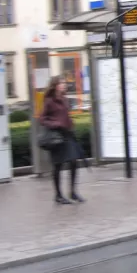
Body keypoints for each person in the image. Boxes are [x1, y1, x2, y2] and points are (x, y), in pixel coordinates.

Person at [40, 76, 85, 204]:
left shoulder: (64, 99)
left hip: (67, 134)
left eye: (65, 83)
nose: (64, 85)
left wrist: (70, 123)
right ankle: (58, 195)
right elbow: (42, 119)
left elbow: (65, 116)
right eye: (61, 83)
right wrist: (55, 124)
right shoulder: (49, 101)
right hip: (56, 137)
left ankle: (73, 191)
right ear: (55, 85)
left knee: (74, 161)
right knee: (58, 166)